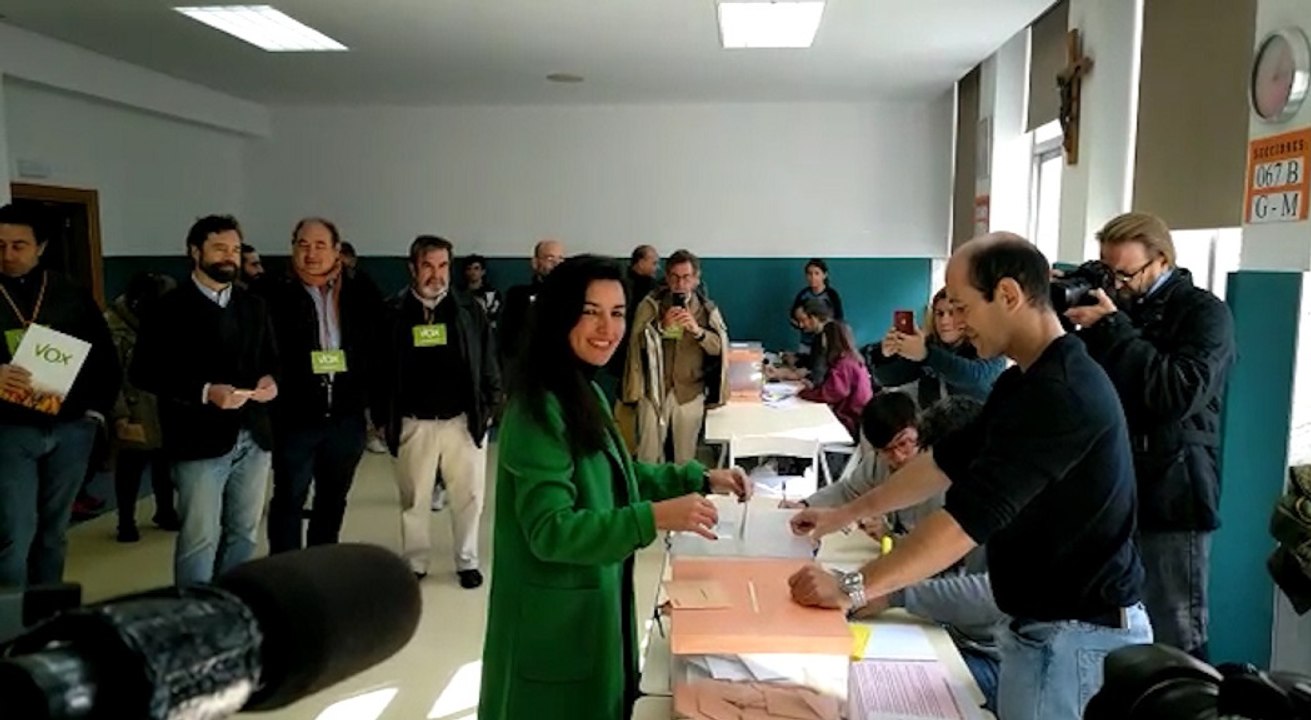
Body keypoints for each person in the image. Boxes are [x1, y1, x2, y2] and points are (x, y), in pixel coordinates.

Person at [787, 235, 1151, 720]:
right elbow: (942, 464)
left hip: (1073, 636)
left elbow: (965, 522)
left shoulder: (1061, 393)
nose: (952, 322)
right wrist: (843, 514)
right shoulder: (1022, 381)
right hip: (1039, 629)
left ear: (1007, 295)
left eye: (960, 306)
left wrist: (852, 589)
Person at [479, 255, 751, 720]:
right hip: (554, 625)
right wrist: (655, 518)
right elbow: (551, 530)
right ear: (559, 315)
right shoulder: (537, 409)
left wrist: (699, 477)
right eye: (590, 312)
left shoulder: (582, 390)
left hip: (593, 607)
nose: (608, 328)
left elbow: (620, 475)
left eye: (618, 313)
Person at [1066, 212, 1235, 661]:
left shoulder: (1203, 312)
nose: (1116, 284)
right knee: (1113, 623)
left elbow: (1178, 392)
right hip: (1118, 489)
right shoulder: (1115, 311)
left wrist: (1114, 327)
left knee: (1176, 629)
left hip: (1175, 495)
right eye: (1108, 271)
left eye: (1124, 274)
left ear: (1161, 260)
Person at [131, 215, 279, 585]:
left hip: (254, 436)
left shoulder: (254, 305)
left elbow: (273, 360)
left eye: (235, 249)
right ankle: (195, 614)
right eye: (219, 248)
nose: (229, 256)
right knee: (200, 538)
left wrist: (271, 380)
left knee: (244, 531)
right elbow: (145, 371)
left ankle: (230, 605)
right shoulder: (168, 309)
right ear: (195, 252)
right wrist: (204, 391)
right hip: (197, 439)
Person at [847, 395, 1002, 712]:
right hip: (958, 636)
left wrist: (890, 594)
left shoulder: (1004, 510)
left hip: (993, 659)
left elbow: (993, 594)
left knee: (880, 696)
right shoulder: (972, 496)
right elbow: (931, 557)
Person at [0, 203, 120, 588]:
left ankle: (47, 616)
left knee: (54, 533)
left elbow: (104, 355)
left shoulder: (69, 292)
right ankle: (10, 626)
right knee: (14, 535)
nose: (8, 254)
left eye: (19, 245)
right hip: (10, 430)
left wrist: (96, 414)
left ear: (41, 247)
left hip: (70, 429)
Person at [373, 235, 500, 587]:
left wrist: (489, 406)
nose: (436, 274)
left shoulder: (468, 309)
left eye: (443, 266)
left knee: (469, 497)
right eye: (428, 265)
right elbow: (379, 369)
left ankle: (466, 561)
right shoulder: (392, 311)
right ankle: (415, 561)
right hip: (414, 422)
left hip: (463, 421)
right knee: (415, 498)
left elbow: (489, 360)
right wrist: (382, 418)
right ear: (412, 268)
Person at [260, 218, 386, 555]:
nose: (311, 253)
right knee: (289, 497)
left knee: (333, 499)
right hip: (294, 418)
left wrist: (377, 409)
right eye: (302, 244)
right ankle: (285, 570)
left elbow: (379, 349)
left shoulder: (361, 289)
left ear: (336, 250)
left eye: (319, 245)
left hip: (346, 418)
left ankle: (321, 564)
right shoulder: (271, 291)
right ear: (292, 248)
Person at [623, 249, 729, 464]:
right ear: (667, 278)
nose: (680, 283)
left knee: (686, 457)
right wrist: (661, 328)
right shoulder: (650, 305)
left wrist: (698, 332)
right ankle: (652, 497)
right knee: (648, 456)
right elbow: (635, 346)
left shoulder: (707, 310)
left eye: (686, 277)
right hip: (653, 392)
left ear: (696, 280)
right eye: (675, 277)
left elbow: (720, 348)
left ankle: (685, 496)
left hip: (690, 392)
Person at [106, 271, 180, 542]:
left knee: (165, 464)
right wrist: (120, 415)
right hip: (134, 405)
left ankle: (165, 510)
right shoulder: (114, 326)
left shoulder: (167, 321)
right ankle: (125, 520)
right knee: (130, 467)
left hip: (164, 403)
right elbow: (110, 377)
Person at [870, 287, 1006, 407]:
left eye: (952, 313)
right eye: (939, 314)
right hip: (934, 428)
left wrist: (926, 354)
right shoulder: (929, 346)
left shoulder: (989, 345)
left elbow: (973, 376)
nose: (944, 321)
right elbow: (889, 379)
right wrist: (884, 356)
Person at [797, 320, 873, 438]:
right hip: (857, 417)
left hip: (849, 422)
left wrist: (804, 393)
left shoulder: (845, 364)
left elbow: (832, 393)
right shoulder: (853, 359)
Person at [499, 238, 565, 368]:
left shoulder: (573, 296)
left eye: (561, 259)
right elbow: (507, 339)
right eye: (550, 259)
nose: (556, 264)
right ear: (535, 263)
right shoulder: (517, 295)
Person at [789, 258, 844, 358]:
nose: (813, 277)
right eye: (809, 274)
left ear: (824, 275)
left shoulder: (831, 295)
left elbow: (839, 320)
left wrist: (823, 326)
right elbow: (793, 317)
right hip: (806, 342)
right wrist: (802, 325)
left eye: (816, 273)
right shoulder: (803, 295)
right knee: (802, 366)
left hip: (826, 343)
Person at [463, 254, 502, 327]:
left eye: (476, 268)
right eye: (469, 269)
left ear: (483, 272)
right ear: (465, 272)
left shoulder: (492, 294)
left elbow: (493, 316)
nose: (472, 272)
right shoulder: (458, 293)